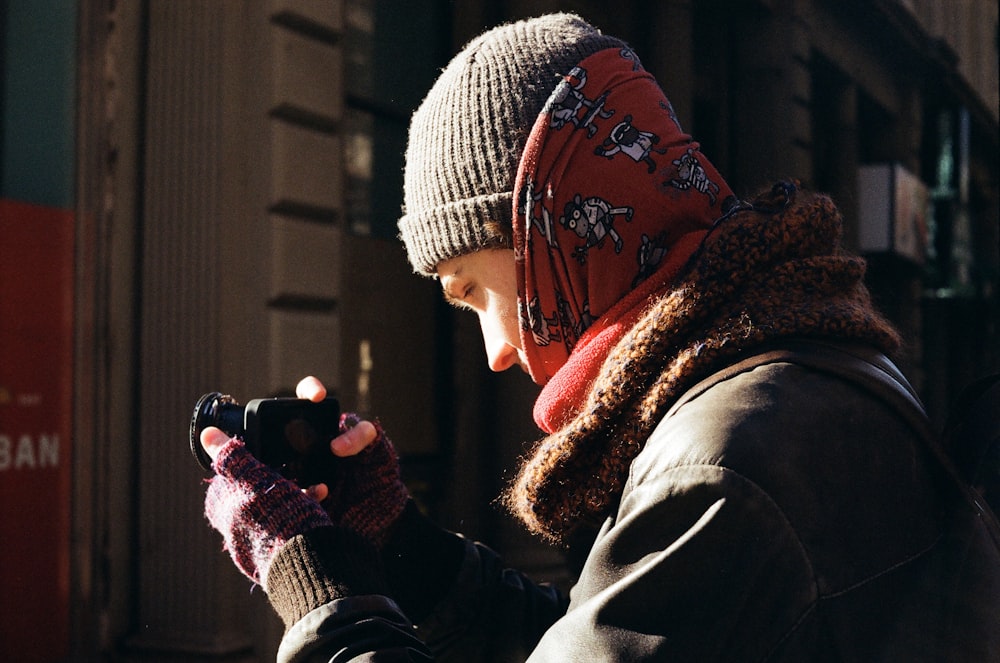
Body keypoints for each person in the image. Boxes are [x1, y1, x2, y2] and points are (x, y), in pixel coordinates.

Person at [198, 13, 1000, 662]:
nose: (496, 351)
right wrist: (403, 547)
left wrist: (319, 594)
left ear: (555, 236)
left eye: (475, 292)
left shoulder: (724, 461)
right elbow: (618, 636)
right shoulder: (790, 373)